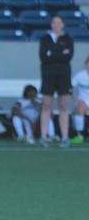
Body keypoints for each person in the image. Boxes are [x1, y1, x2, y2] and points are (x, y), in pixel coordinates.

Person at [39, 14, 74, 148]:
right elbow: (43, 57)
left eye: (59, 22)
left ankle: (64, 137)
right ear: (51, 24)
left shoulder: (68, 39)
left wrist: (52, 52)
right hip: (48, 75)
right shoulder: (45, 38)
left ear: (63, 24)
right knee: (46, 105)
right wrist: (59, 52)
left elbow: (68, 57)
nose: (56, 25)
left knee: (63, 106)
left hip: (64, 75)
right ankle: (44, 136)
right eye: (54, 22)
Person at [71, 56, 89, 143]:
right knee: (80, 108)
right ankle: (80, 135)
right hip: (82, 101)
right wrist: (76, 100)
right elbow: (69, 89)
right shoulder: (80, 75)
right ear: (86, 64)